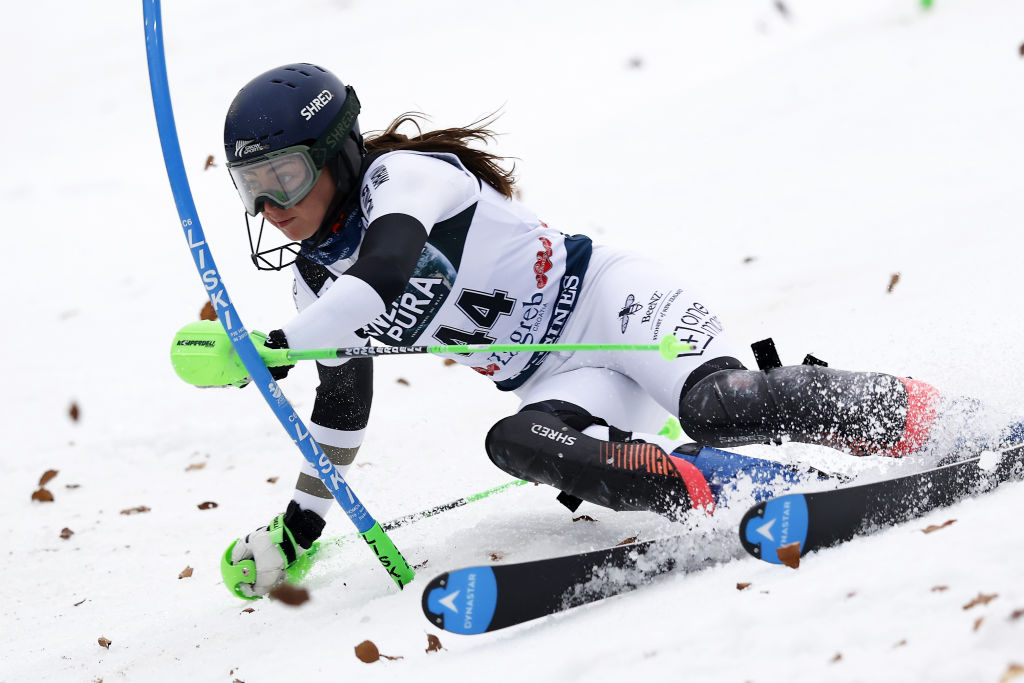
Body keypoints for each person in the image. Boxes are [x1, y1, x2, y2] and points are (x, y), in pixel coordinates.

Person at [203, 63, 1015, 598]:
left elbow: (383, 277)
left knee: (719, 402)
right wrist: (304, 523)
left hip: (618, 308)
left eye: (285, 176)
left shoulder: (402, 180)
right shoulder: (316, 279)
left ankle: (943, 420)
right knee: (516, 441)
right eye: (253, 188)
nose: (273, 207)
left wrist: (274, 344)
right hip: (559, 376)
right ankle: (733, 488)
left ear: (338, 155)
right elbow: (342, 405)